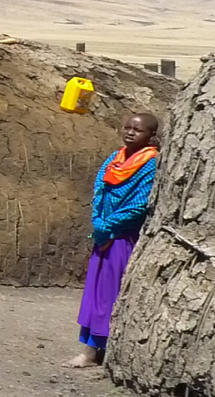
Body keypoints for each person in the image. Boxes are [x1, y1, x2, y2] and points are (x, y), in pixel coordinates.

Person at [64, 113, 159, 368]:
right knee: (94, 293)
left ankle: (96, 352)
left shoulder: (150, 164)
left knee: (109, 295)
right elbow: (100, 191)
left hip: (122, 238)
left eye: (137, 130)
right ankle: (91, 348)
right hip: (103, 235)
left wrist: (108, 227)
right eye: (127, 127)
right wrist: (98, 224)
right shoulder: (115, 158)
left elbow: (139, 205)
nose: (130, 132)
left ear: (151, 135)